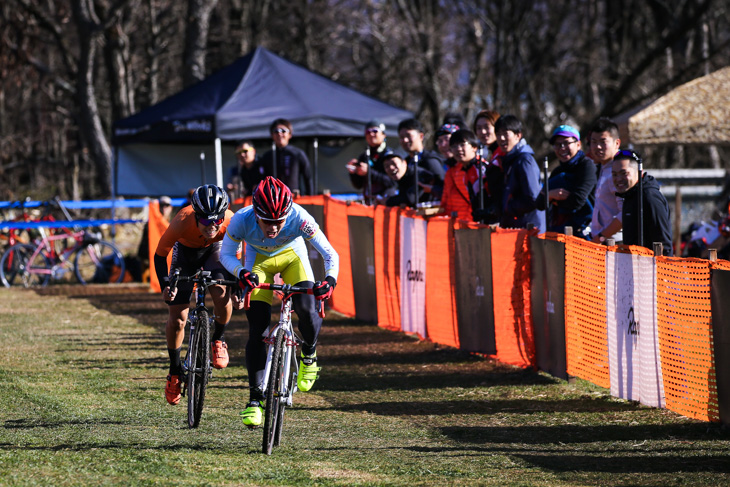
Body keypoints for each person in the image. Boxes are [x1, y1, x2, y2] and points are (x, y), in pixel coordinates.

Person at [220, 176, 339, 427]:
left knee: (306, 310)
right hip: (258, 261)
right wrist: (241, 273)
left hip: (292, 257)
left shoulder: (300, 217)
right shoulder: (241, 219)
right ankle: (255, 399)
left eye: (279, 222)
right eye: (267, 222)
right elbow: (226, 254)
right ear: (256, 214)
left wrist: (329, 280)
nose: (273, 228)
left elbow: (329, 253)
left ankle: (309, 353)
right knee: (258, 329)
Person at [155, 185, 237, 405]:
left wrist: (237, 287)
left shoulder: (230, 220)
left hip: (216, 250)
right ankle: (174, 370)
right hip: (186, 254)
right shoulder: (182, 220)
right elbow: (159, 255)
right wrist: (166, 284)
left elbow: (238, 259)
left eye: (216, 220)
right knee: (178, 318)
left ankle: (218, 339)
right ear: (196, 216)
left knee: (222, 294)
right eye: (206, 221)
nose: (212, 226)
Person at [535, 125, 596, 235]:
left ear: (578, 145)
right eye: (557, 145)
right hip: (561, 232)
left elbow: (577, 201)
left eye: (567, 143)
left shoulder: (587, 166)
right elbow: (539, 203)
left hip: (585, 233)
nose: (562, 148)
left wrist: (554, 201)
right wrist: (550, 195)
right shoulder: (557, 171)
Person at [612, 150, 673, 255]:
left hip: (651, 268)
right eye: (614, 174)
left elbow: (664, 243)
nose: (618, 179)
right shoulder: (629, 195)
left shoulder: (649, 197)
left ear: (639, 172)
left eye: (624, 173)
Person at [495, 115, 545, 232]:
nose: (501, 138)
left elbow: (533, 197)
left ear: (518, 135)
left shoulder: (524, 160)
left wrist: (508, 207)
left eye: (505, 134)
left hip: (530, 228)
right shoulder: (510, 159)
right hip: (519, 226)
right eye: (498, 134)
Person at [588, 118, 623, 244]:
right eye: (593, 142)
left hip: (615, 243)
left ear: (617, 143)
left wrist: (601, 237)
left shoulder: (621, 171)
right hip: (602, 242)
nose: (597, 147)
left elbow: (625, 213)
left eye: (603, 142)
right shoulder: (603, 168)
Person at [345, 119, 396, 203]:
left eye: (375, 131)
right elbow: (358, 185)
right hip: (368, 203)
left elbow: (392, 182)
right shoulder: (364, 156)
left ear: (383, 135)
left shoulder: (390, 155)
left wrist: (369, 172)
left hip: (386, 203)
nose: (371, 134)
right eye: (368, 132)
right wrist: (353, 172)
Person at [260, 119, 314, 195]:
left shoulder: (297, 153)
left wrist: (310, 197)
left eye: (283, 131)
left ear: (290, 134)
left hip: (294, 198)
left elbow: (308, 177)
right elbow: (262, 179)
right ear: (272, 135)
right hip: (273, 200)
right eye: (276, 131)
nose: (279, 133)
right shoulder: (267, 156)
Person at [397, 118, 445, 201]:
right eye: (401, 137)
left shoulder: (430, 160)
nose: (405, 140)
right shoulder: (405, 162)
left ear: (421, 136)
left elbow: (443, 187)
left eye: (408, 136)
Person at [440, 129, 478, 221]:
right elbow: (445, 199)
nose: (458, 149)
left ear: (474, 147)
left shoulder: (480, 169)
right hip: (457, 223)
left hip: (475, 224)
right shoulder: (452, 171)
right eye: (454, 146)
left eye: (462, 145)